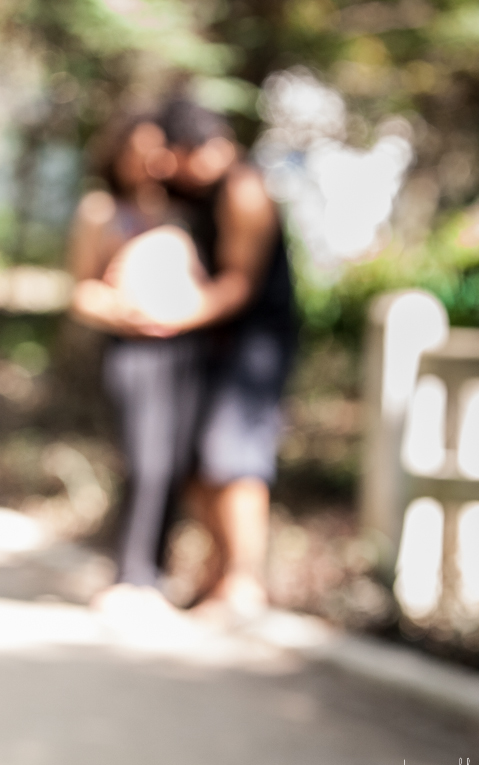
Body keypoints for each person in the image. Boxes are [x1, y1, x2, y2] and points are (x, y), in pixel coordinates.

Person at [154, 98, 297, 619]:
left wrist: (172, 315)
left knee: (235, 459)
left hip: (253, 344)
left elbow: (240, 283)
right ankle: (217, 572)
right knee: (200, 459)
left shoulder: (243, 189)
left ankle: (243, 582)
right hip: (211, 342)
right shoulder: (197, 195)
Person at [67, 115, 211, 619]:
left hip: (184, 350)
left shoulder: (183, 209)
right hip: (131, 350)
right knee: (144, 461)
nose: (147, 161)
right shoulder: (100, 209)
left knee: (173, 462)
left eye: (157, 150)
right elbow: (81, 290)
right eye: (136, 149)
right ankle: (128, 574)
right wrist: (125, 310)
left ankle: (155, 573)